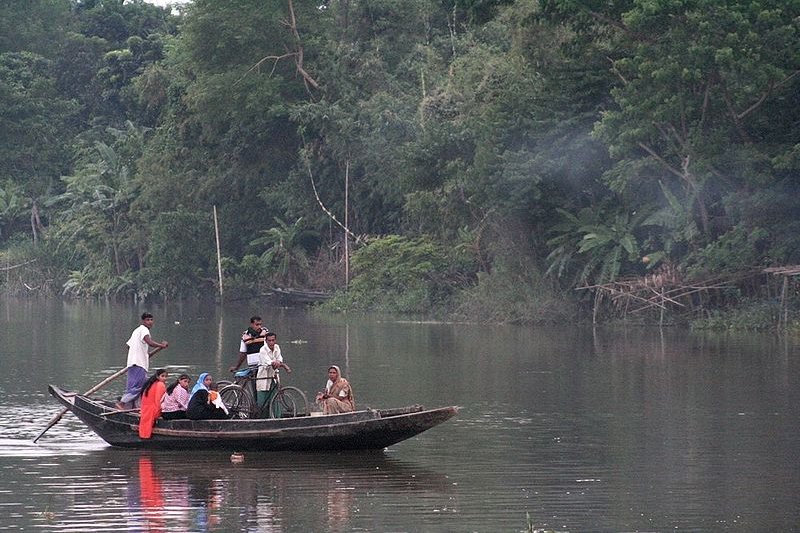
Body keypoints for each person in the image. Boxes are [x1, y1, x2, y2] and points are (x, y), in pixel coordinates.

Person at [120, 313, 169, 409]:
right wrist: (161, 345)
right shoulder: (144, 330)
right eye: (147, 320)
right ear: (143, 321)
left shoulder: (136, 331)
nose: (150, 322)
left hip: (132, 363)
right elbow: (149, 342)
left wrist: (143, 354)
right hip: (139, 364)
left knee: (132, 386)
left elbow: (128, 346)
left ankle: (132, 407)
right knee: (139, 386)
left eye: (151, 320)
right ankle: (122, 403)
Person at [256, 332, 292, 412]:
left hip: (273, 375)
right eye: (269, 341)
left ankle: (276, 417)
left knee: (276, 397)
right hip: (264, 376)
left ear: (275, 340)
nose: (271, 342)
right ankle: (262, 418)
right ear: (266, 341)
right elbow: (269, 362)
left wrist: (279, 362)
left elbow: (279, 358)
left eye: (273, 340)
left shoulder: (277, 347)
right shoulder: (263, 350)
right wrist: (282, 365)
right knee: (262, 401)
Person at [139, 368, 168, 439]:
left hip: (145, 410)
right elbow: (159, 401)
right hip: (153, 411)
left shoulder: (150, 384)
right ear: (158, 377)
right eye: (162, 376)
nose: (165, 378)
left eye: (166, 376)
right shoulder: (160, 384)